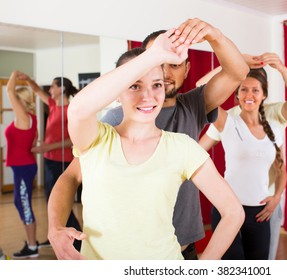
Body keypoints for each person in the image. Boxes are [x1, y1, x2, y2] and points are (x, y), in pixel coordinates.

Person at [47, 18, 249, 259]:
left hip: (177, 251)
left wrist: (215, 36)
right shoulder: (104, 131)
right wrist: (55, 227)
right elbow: (79, 113)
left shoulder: (187, 128)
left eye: (157, 84)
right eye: (135, 85)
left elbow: (233, 212)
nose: (149, 95)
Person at [198, 53, 287, 259]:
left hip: (259, 213)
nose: (249, 95)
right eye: (243, 89)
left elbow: (281, 170)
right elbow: (201, 88)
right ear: (236, 94)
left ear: (264, 94)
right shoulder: (227, 121)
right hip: (228, 209)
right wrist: (234, 63)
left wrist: (276, 198)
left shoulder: (274, 126)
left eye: (255, 90)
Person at [17, 72, 82, 250]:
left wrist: (48, 147)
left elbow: (73, 140)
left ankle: (78, 240)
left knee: (62, 203)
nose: (50, 89)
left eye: (53, 86)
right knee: (51, 202)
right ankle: (57, 235)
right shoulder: (53, 105)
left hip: (62, 162)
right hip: (49, 160)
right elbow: (37, 90)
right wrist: (28, 80)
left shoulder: (71, 110)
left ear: (61, 89)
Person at [4, 71, 39, 259]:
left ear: (20, 100)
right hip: (24, 166)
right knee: (21, 202)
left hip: (24, 167)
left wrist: (15, 74)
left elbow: (9, 92)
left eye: (16, 100)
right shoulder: (30, 118)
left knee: (24, 205)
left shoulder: (24, 117)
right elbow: (34, 142)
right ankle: (31, 242)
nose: (13, 101)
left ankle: (33, 247)